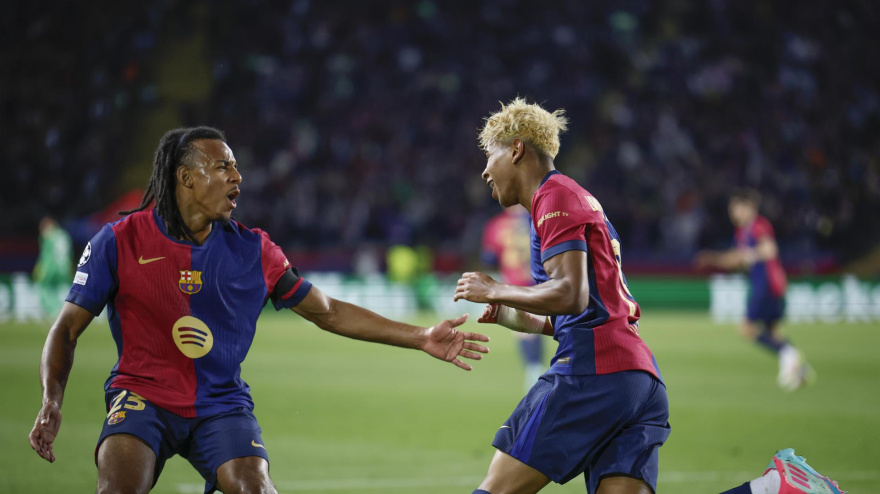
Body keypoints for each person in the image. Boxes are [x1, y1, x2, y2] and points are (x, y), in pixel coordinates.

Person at [28, 127, 490, 494]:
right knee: (119, 486)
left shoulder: (254, 251)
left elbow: (327, 310)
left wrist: (419, 336)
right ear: (186, 178)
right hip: (142, 396)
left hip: (221, 405)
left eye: (237, 167)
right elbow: (67, 329)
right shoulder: (119, 240)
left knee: (256, 488)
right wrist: (52, 401)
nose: (237, 177)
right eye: (222, 167)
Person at [454, 99, 844, 494]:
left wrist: (495, 287)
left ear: (517, 149)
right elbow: (583, 310)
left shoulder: (554, 198)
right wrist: (509, 313)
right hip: (636, 380)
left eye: (491, 156)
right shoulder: (574, 200)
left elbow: (571, 295)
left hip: (592, 374)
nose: (485, 170)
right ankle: (771, 489)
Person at [695, 189, 813, 391]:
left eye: (737, 209)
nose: (734, 214)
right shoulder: (742, 232)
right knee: (773, 333)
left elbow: (770, 250)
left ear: (749, 207)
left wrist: (750, 254)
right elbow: (736, 259)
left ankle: (790, 355)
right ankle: (799, 370)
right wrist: (713, 259)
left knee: (746, 328)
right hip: (767, 284)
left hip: (766, 284)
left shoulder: (759, 225)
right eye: (732, 210)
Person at [481, 205, 545, 391]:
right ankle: (537, 369)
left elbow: (489, 258)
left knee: (522, 329)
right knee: (537, 325)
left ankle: (533, 370)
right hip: (538, 281)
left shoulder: (496, 224)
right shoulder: (537, 220)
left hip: (513, 284)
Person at [32, 216, 73, 318]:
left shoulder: (49, 236)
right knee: (66, 290)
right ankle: (69, 310)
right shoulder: (64, 235)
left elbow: (47, 255)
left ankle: (53, 310)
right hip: (64, 268)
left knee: (44, 288)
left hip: (51, 268)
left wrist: (42, 269)